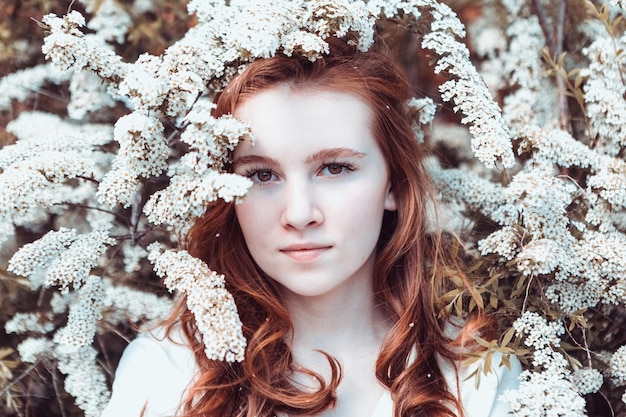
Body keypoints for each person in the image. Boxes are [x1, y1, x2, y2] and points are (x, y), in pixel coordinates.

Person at [101, 38, 521, 417]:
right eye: (261, 175)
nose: (299, 214)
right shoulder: (168, 372)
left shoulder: (474, 374)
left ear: (392, 181)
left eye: (334, 168)